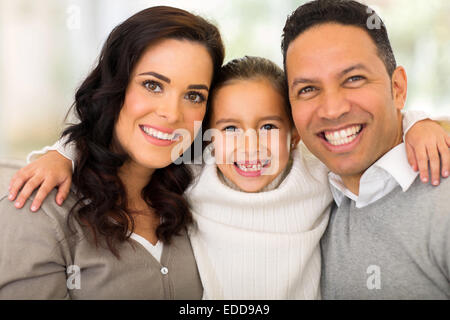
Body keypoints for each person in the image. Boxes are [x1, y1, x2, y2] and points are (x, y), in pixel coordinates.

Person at [5, 53, 449, 300]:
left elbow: (357, 132)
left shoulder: (313, 170)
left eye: (269, 126)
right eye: (231, 128)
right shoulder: (196, 170)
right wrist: (60, 153)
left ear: (295, 135)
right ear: (209, 135)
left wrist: (422, 124)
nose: (250, 146)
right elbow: (121, 143)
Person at [0, 6, 225, 299]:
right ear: (113, 86)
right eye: (152, 85)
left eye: (193, 96)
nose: (171, 114)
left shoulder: (200, 193)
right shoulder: (39, 211)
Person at [282, 0, 450, 299]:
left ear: (397, 88)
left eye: (354, 79)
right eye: (307, 89)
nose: (332, 110)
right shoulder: (310, 194)